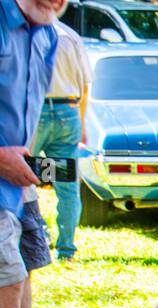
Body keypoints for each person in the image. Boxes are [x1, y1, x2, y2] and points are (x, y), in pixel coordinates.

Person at [1, 0, 66, 308]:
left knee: (20, 271)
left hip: (14, 183)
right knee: (7, 276)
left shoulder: (48, 34)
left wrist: (24, 161)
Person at [31, 12, 88, 262]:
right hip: (68, 111)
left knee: (22, 178)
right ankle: (66, 249)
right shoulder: (71, 36)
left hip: (34, 110)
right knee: (67, 185)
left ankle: (36, 237)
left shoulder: (27, 34)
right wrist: (83, 123)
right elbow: (85, 84)